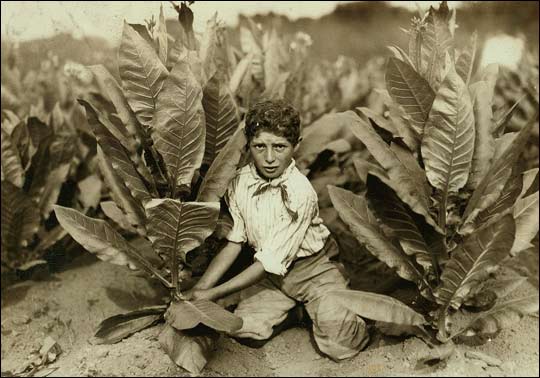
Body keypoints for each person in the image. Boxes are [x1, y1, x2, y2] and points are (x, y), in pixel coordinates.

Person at [186, 99, 369, 361]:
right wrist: (201, 288)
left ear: (296, 145)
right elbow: (235, 242)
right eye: (260, 146)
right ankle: (295, 312)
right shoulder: (239, 182)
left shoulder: (300, 192)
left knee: (342, 345)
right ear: (248, 144)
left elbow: (268, 262)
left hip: (314, 269)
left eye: (280, 147)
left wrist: (211, 294)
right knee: (243, 329)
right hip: (272, 276)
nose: (270, 158)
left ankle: (325, 303)